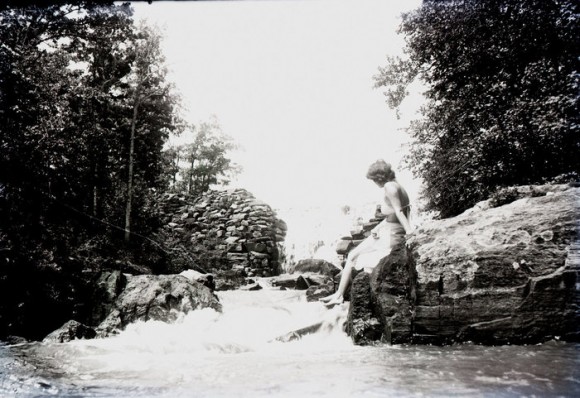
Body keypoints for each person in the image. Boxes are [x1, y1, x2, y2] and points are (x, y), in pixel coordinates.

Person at [320, 160, 414, 306]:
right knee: (353, 256)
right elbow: (395, 214)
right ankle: (338, 294)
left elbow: (399, 211)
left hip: (392, 234)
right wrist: (377, 228)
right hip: (388, 229)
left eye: (374, 179)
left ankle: (339, 295)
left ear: (379, 177)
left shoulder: (389, 187)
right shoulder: (398, 185)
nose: (374, 183)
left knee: (354, 256)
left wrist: (409, 232)